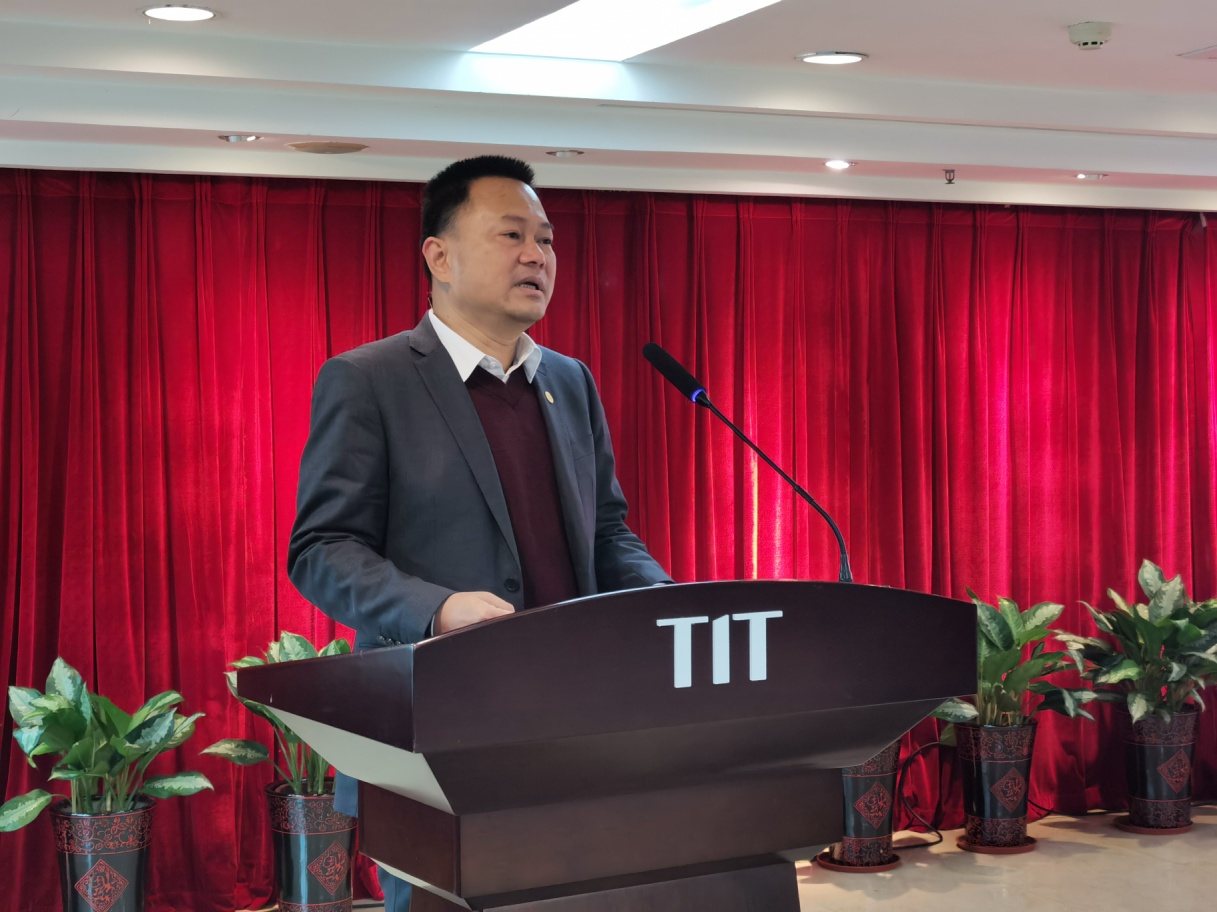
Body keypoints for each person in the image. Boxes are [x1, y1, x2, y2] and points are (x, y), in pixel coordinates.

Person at [286, 155, 672, 911]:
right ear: (439, 255)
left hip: (573, 728)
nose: (537, 256)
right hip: (436, 738)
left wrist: (661, 601)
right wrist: (436, 609)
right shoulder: (370, 379)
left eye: (547, 239)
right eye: (511, 235)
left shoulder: (569, 381)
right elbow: (322, 550)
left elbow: (605, 531)